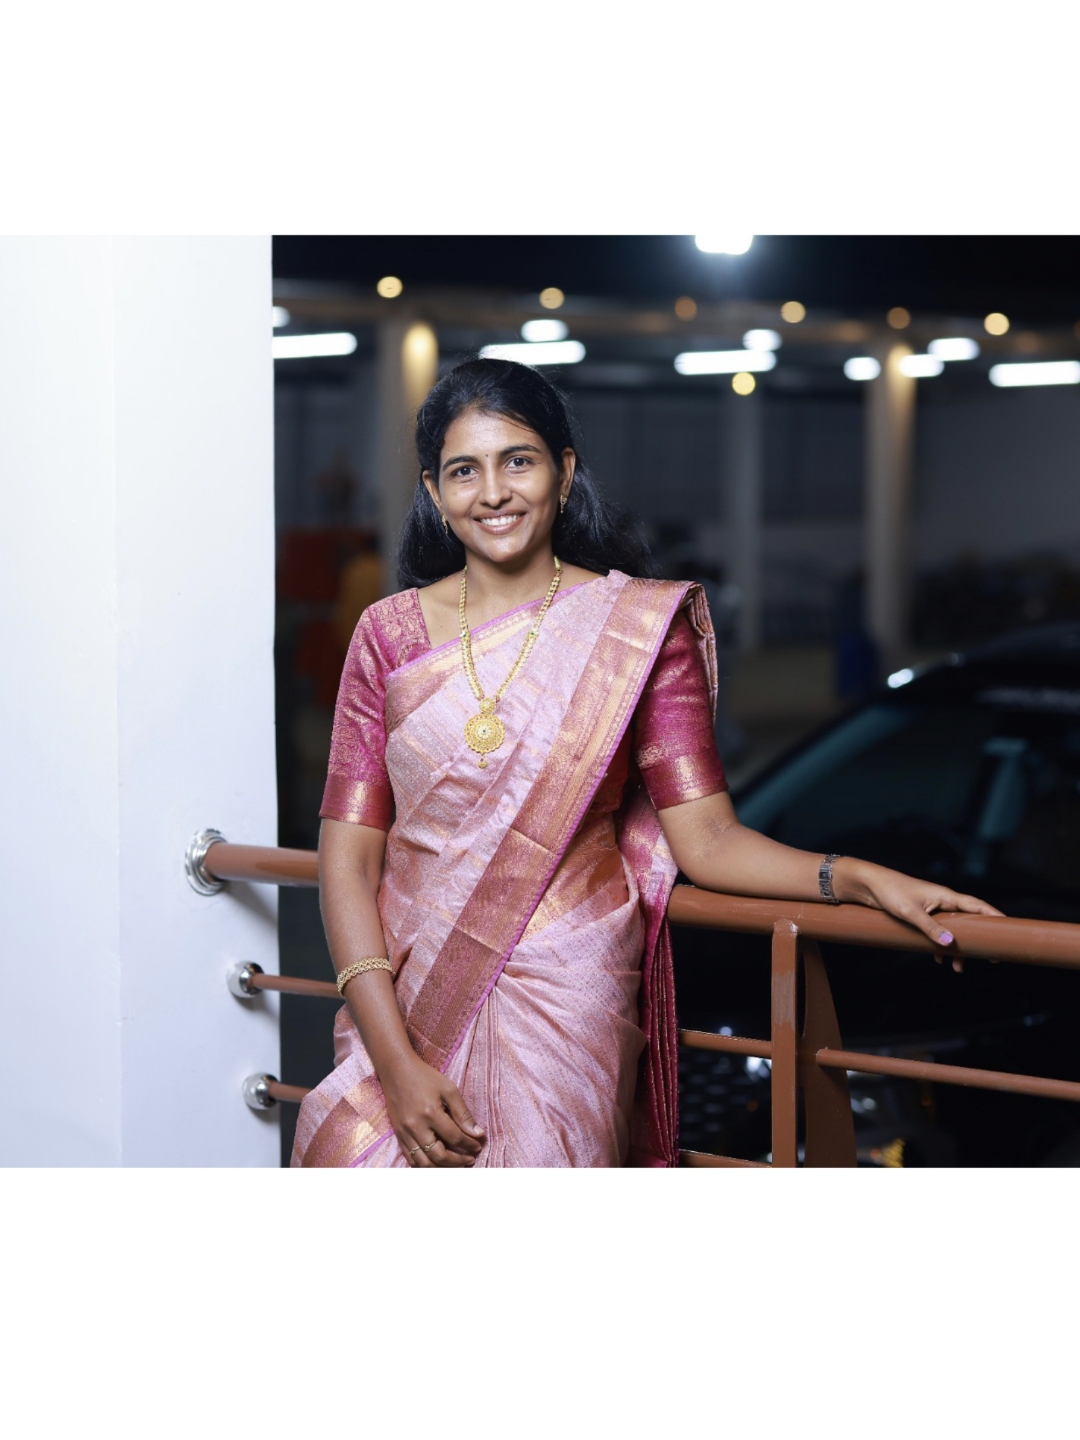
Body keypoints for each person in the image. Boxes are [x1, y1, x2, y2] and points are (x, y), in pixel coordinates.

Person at [291, 358, 1000, 1169]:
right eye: (464, 471)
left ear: (564, 472)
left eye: (518, 461)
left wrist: (860, 879)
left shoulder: (637, 631)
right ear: (433, 489)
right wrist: (394, 1063)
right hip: (404, 1004)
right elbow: (348, 861)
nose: (492, 493)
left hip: (565, 1002)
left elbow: (709, 840)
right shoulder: (388, 637)